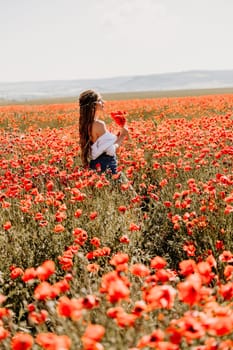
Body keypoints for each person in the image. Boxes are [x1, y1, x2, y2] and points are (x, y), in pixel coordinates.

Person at [78, 89, 129, 175]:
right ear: (93, 105)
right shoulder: (99, 124)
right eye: (100, 100)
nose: (103, 102)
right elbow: (110, 150)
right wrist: (123, 135)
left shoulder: (85, 124)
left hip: (96, 165)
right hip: (107, 165)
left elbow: (100, 145)